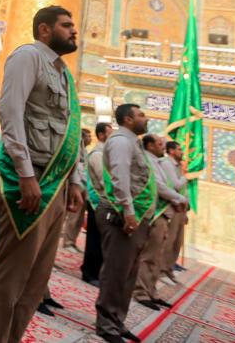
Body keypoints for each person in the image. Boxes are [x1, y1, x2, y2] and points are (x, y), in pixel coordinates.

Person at [0, 6, 85, 343]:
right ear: (44, 30)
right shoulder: (28, 57)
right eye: (66, 25)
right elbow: (11, 114)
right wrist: (25, 175)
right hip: (33, 180)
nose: (73, 31)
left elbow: (71, 129)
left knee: (35, 283)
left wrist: (76, 180)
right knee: (11, 277)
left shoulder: (63, 72)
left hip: (56, 185)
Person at [94, 103, 153, 343]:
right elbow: (119, 177)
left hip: (133, 217)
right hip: (120, 216)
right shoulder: (121, 141)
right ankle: (106, 325)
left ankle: (117, 321)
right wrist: (128, 212)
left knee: (128, 274)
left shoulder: (132, 142)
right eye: (141, 115)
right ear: (128, 119)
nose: (145, 118)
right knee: (116, 272)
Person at [132, 134, 186, 310]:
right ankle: (140, 292)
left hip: (164, 213)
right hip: (155, 213)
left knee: (157, 256)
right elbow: (160, 187)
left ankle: (151, 291)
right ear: (149, 146)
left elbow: (167, 186)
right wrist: (178, 199)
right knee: (148, 256)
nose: (163, 147)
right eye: (159, 144)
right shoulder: (149, 161)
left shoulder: (157, 161)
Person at [80, 121, 112, 286]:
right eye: (110, 132)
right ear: (101, 135)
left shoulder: (106, 153)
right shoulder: (98, 154)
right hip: (98, 201)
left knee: (101, 239)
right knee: (94, 238)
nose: (112, 136)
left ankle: (95, 272)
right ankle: (89, 273)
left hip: (104, 201)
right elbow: (103, 180)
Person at [158, 140, 189, 281]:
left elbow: (183, 190)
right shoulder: (166, 164)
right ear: (171, 151)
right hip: (172, 206)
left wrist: (186, 209)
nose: (182, 152)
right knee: (169, 241)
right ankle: (162, 270)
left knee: (177, 242)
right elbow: (175, 185)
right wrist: (185, 177)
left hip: (181, 208)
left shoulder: (178, 166)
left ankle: (169, 269)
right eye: (179, 149)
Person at [61, 127, 92, 250]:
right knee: (73, 216)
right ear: (82, 137)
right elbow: (78, 168)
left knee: (79, 217)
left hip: (84, 185)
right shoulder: (76, 148)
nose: (90, 138)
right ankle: (67, 242)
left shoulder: (85, 150)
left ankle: (72, 241)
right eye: (88, 136)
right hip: (77, 185)